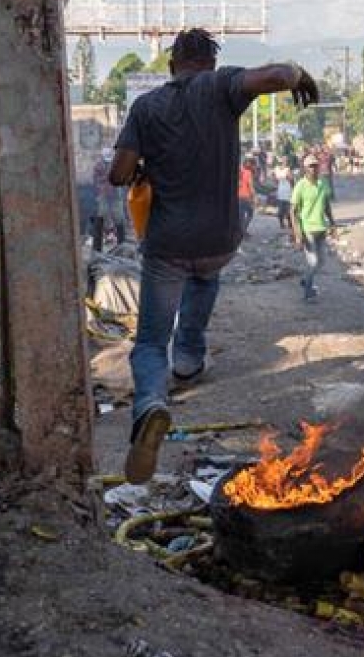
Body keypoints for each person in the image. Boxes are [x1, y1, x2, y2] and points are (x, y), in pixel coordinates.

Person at [108, 27, 319, 484]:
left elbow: (118, 173)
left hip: (168, 242)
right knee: (205, 278)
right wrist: (298, 75)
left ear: (172, 65)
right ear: (209, 61)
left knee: (148, 341)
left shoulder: (146, 107)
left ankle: (151, 403)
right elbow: (277, 74)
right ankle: (189, 359)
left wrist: (146, 166)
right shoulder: (222, 86)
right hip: (220, 239)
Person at [290, 155, 334, 303]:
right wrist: (297, 234)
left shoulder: (323, 183)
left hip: (321, 228)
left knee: (322, 262)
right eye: (310, 166)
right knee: (313, 262)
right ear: (305, 168)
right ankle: (308, 294)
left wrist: (332, 222)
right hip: (307, 229)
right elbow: (293, 211)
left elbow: (327, 205)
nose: (314, 168)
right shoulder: (300, 186)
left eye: (315, 165)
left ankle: (306, 279)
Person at [92, 149, 127, 249]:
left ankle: (122, 242)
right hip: (104, 194)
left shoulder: (116, 163)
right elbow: (95, 181)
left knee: (119, 215)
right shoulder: (98, 166)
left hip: (116, 194)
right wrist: (101, 189)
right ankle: (100, 243)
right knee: (102, 214)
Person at [237, 157, 257, 237]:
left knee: (241, 215)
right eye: (254, 165)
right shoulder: (248, 172)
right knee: (250, 213)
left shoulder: (238, 171)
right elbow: (250, 186)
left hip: (237, 197)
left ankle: (241, 231)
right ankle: (243, 231)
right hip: (245, 197)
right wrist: (254, 197)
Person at [273, 159, 294, 230]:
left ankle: (287, 224)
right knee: (284, 209)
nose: (283, 163)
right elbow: (291, 179)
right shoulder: (279, 169)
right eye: (282, 162)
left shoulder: (282, 169)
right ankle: (285, 224)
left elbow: (291, 179)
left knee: (285, 209)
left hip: (284, 190)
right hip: (283, 191)